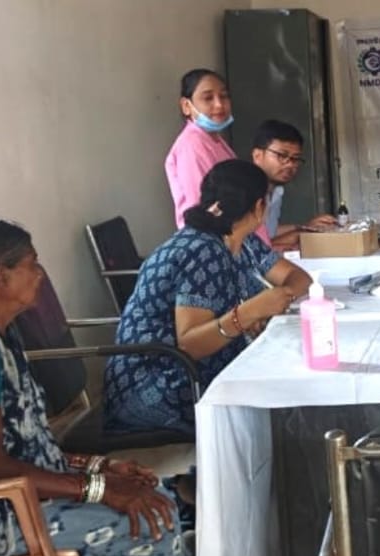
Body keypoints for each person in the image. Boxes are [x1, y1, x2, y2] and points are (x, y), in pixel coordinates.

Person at [0, 215, 189, 556]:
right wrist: (98, 488)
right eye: (32, 264)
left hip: (5, 498)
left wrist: (100, 467)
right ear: (1, 276)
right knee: (150, 523)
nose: (40, 274)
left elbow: (24, 448)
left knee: (157, 496)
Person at [105, 160, 308, 435]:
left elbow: (298, 278)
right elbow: (190, 344)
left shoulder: (242, 240)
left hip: (195, 369)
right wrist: (250, 312)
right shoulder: (201, 250)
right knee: (286, 395)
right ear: (260, 206)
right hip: (160, 384)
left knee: (289, 372)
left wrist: (278, 299)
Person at [249, 120, 338, 251]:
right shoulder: (244, 193)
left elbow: (268, 233)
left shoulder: (276, 191)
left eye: (295, 158)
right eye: (281, 155)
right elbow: (251, 251)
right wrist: (300, 234)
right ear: (257, 156)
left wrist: (306, 227)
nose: (290, 164)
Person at [165, 69, 236, 230]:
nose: (219, 104)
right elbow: (204, 205)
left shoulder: (214, 140)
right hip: (211, 235)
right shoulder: (191, 145)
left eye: (224, 96)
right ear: (186, 106)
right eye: (208, 98)